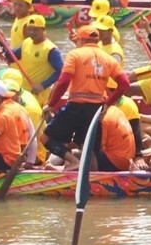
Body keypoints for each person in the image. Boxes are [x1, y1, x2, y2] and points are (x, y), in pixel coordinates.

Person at [42, 25, 133, 163]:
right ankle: (92, 178)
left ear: (80, 40)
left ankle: (74, 162)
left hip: (76, 105)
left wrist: (51, 104)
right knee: (89, 148)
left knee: (46, 138)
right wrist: (108, 103)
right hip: (97, 109)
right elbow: (125, 83)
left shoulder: (75, 54)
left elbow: (64, 81)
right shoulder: (108, 58)